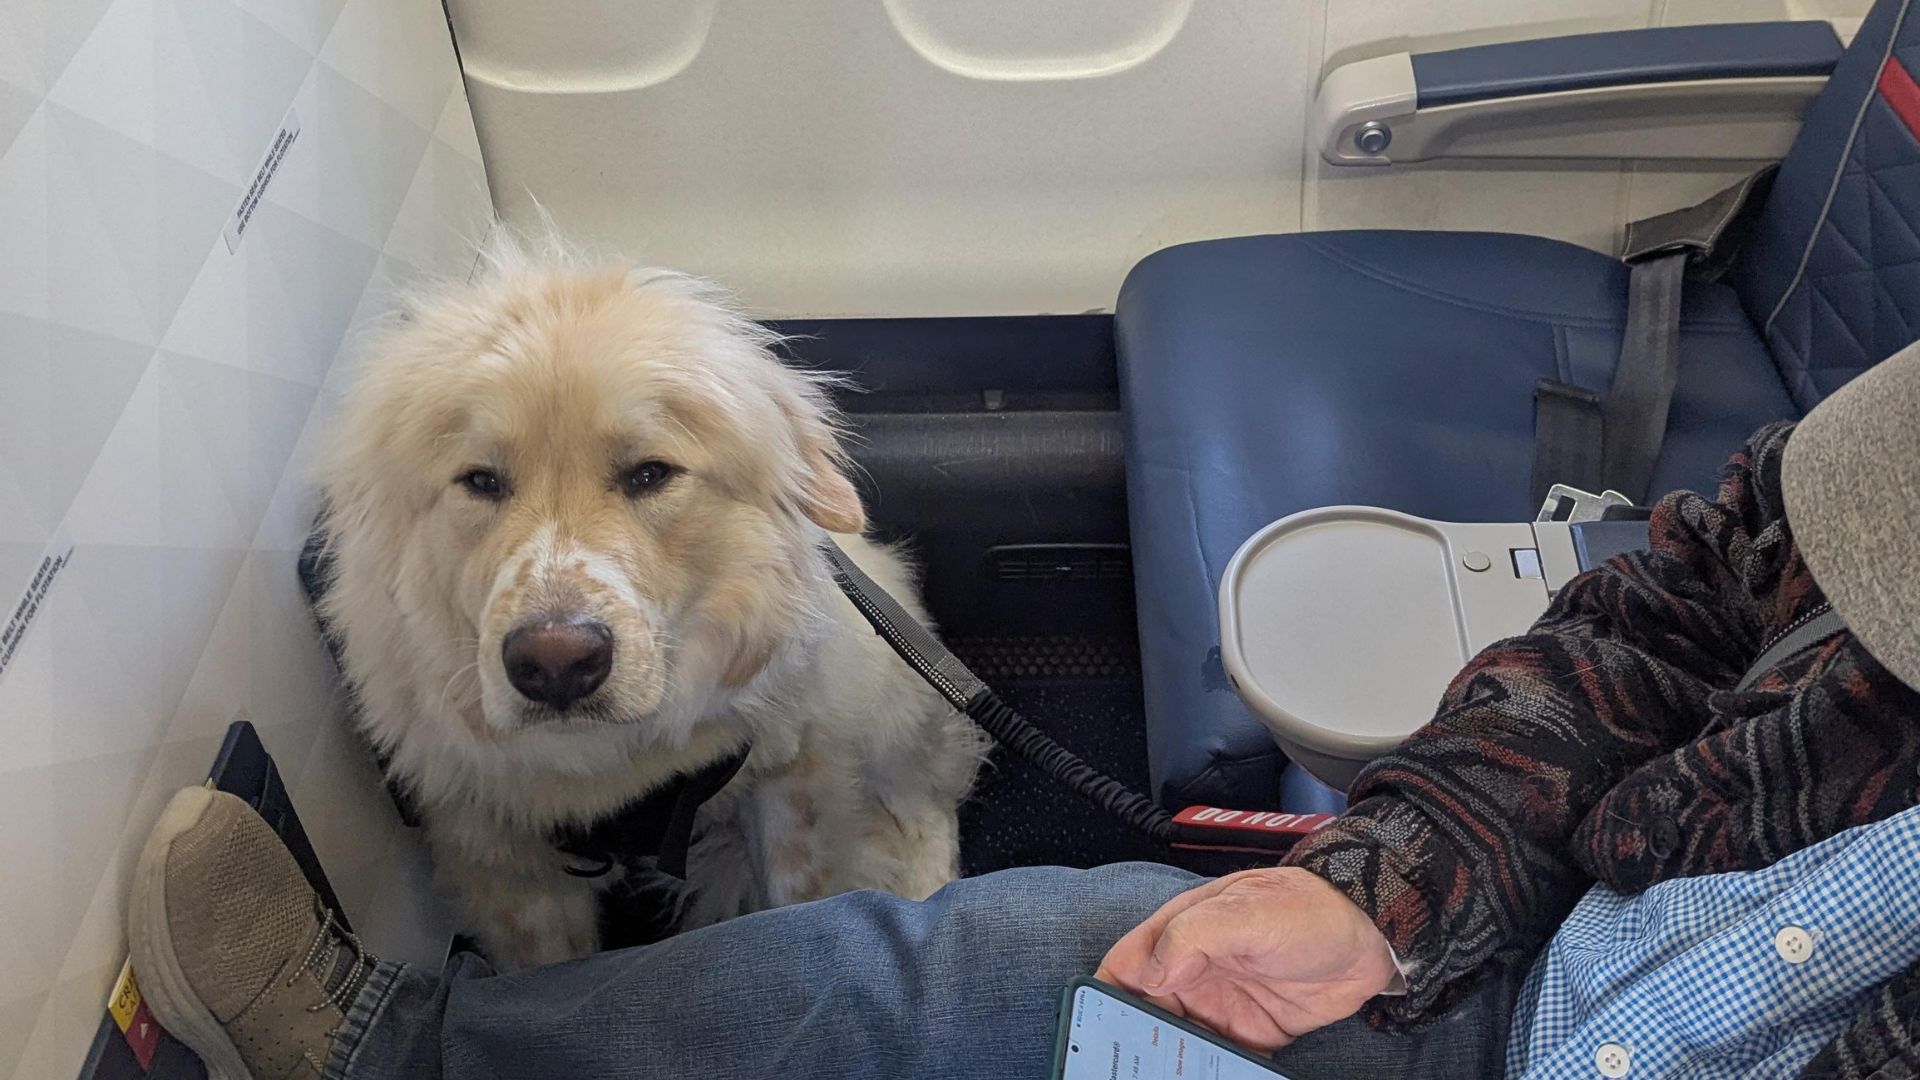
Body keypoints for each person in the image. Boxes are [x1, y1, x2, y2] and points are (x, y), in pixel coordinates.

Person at [128, 341, 1920, 1080]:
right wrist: (1394, 878)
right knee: (948, 962)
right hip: (1562, 974)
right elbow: (1678, 601)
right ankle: (400, 1050)